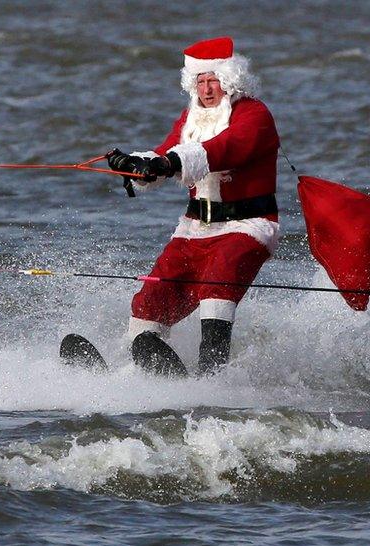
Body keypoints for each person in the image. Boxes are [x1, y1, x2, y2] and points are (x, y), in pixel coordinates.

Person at [105, 36, 280, 377]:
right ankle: (128, 373)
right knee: (150, 298)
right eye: (199, 81)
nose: (206, 88)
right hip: (196, 228)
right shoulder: (191, 118)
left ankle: (212, 377)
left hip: (245, 227)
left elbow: (224, 149)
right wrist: (137, 166)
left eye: (212, 79)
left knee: (220, 277)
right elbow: (166, 152)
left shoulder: (254, 115)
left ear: (230, 80)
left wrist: (169, 163)